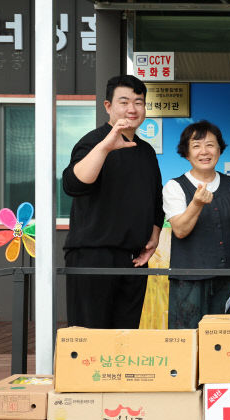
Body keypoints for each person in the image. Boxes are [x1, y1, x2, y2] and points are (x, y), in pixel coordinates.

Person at [62, 75, 163, 329]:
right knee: (90, 334)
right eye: (124, 101)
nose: (132, 109)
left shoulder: (146, 151)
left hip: (133, 259)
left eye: (139, 102)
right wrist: (105, 147)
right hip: (92, 256)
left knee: (125, 336)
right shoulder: (92, 141)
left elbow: (155, 199)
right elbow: (74, 184)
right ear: (108, 106)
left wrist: (154, 235)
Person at [162, 121, 230, 329]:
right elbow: (180, 231)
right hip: (188, 281)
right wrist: (197, 203)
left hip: (224, 278)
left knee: (221, 337)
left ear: (219, 150)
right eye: (196, 145)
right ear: (186, 152)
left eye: (210, 145)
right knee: (186, 338)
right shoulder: (175, 186)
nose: (204, 151)